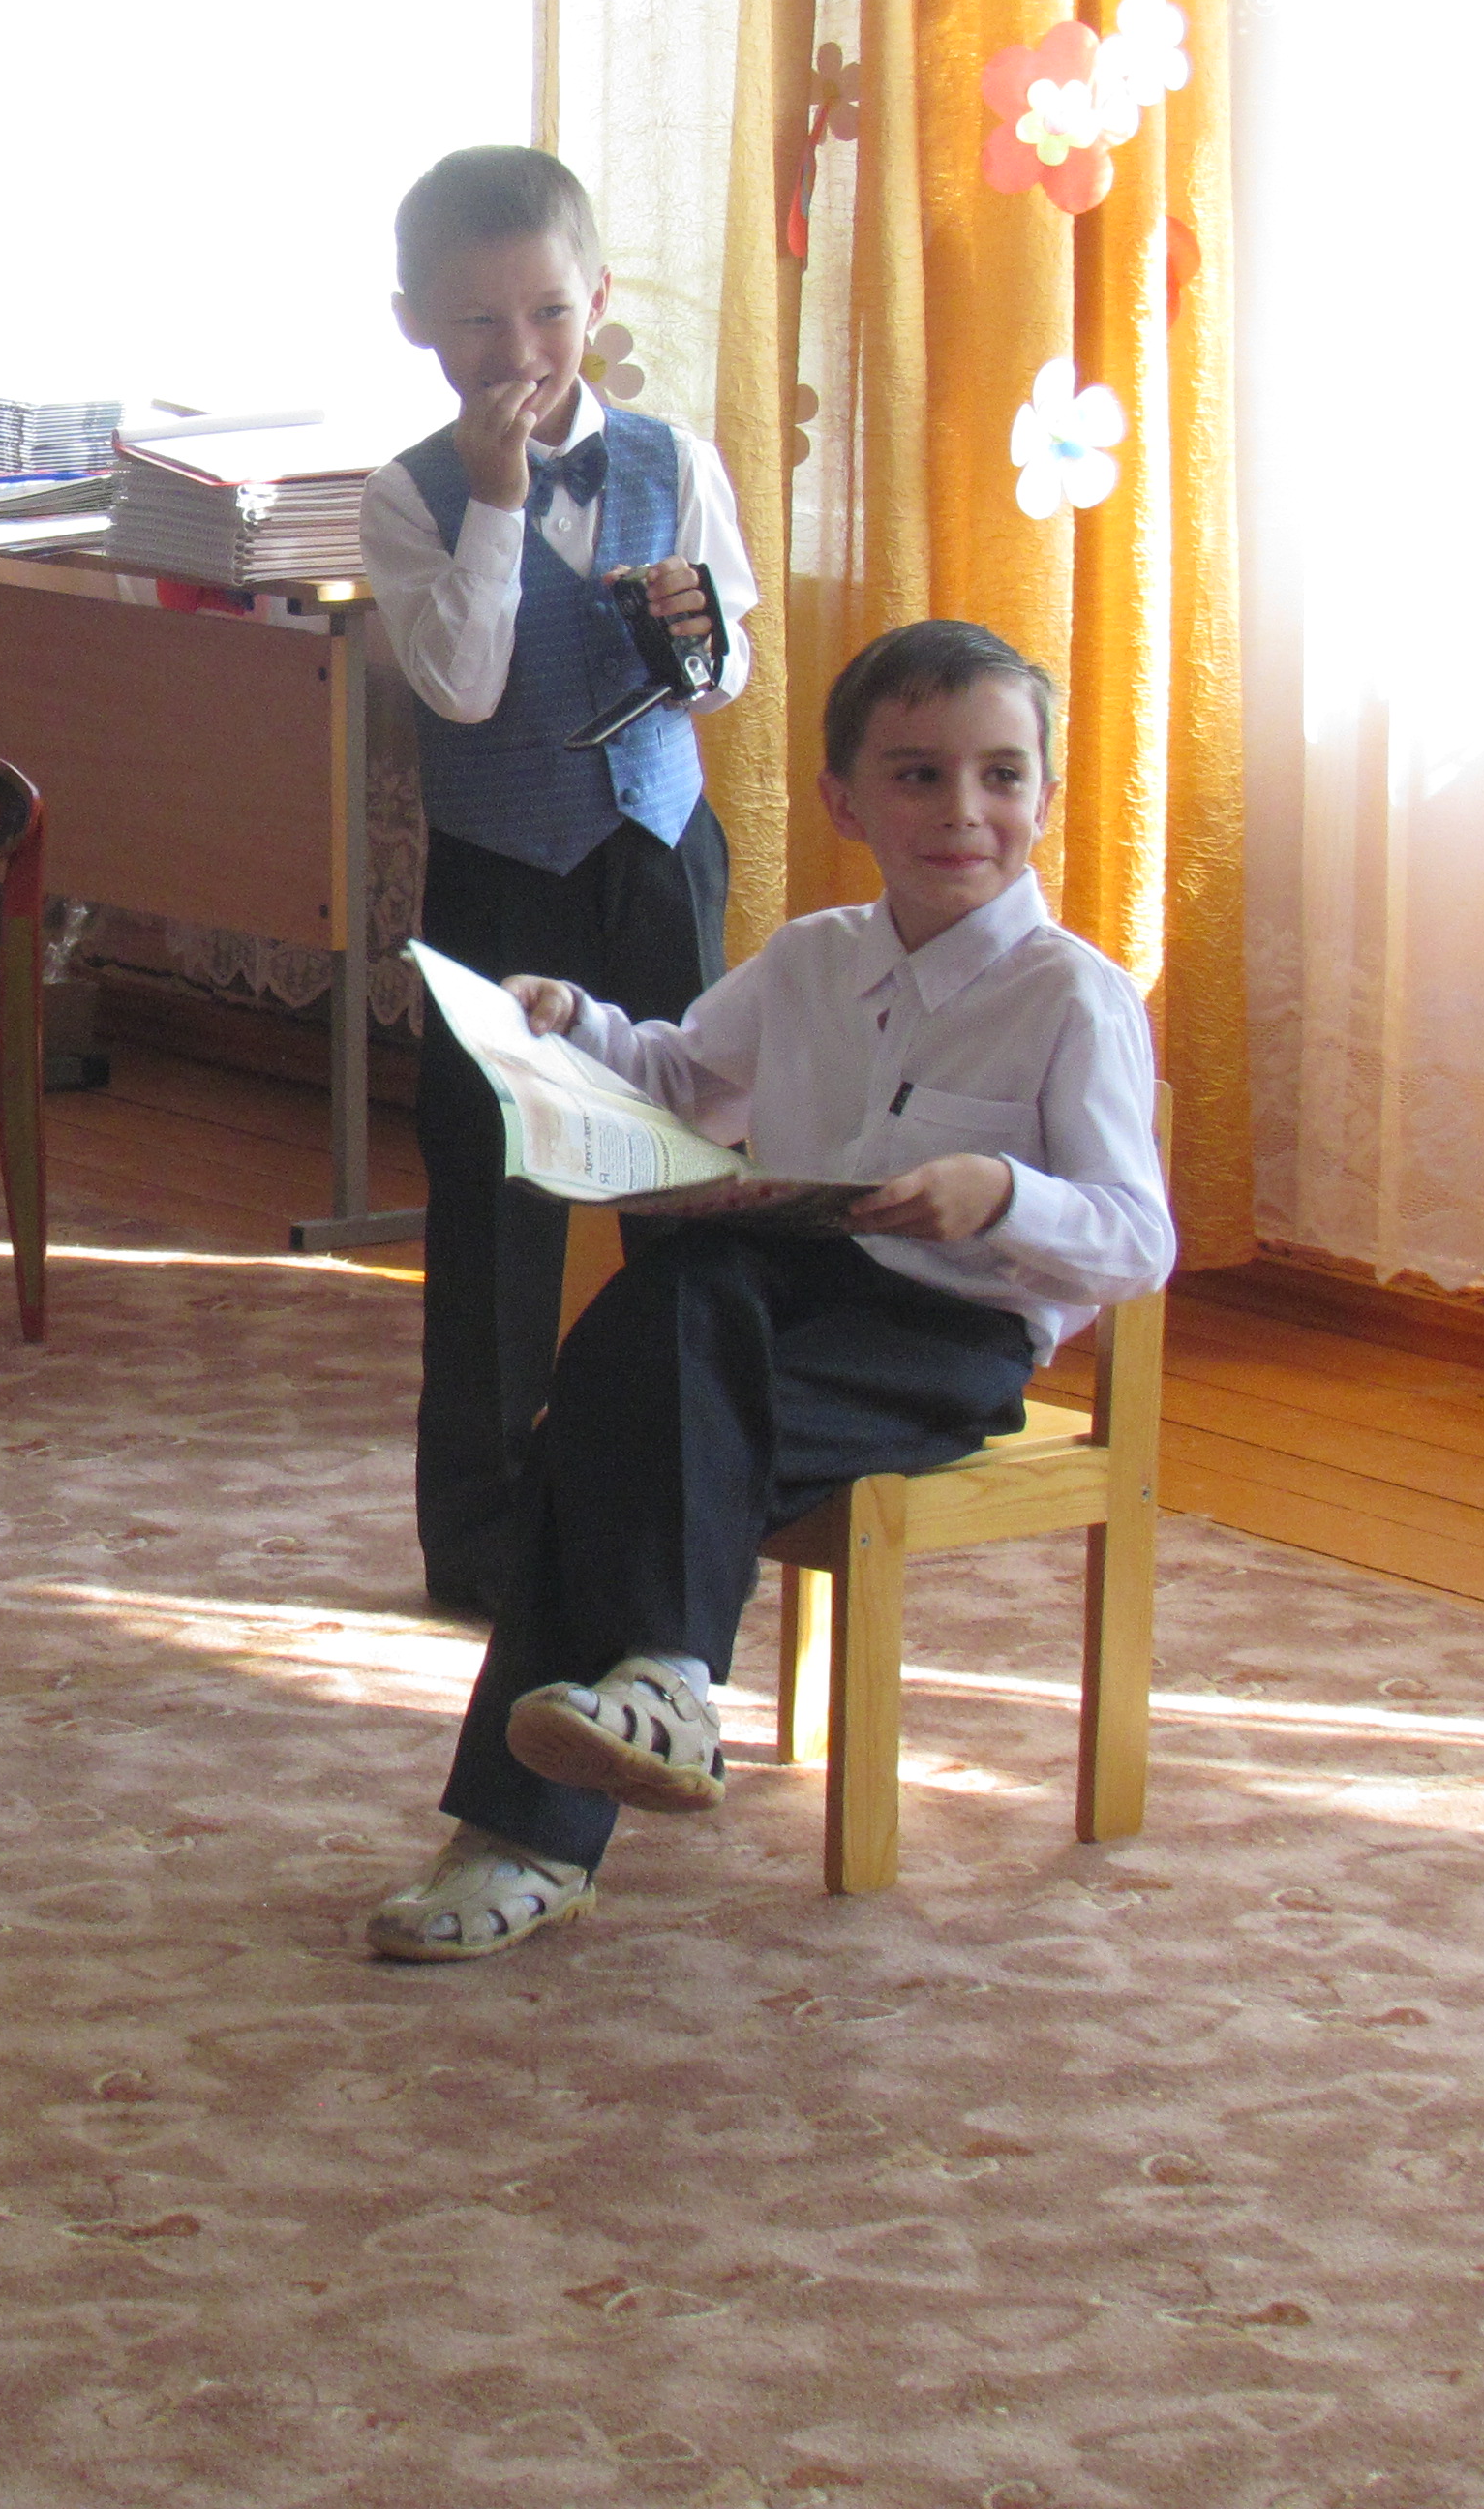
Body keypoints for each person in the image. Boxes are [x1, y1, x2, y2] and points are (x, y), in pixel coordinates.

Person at [363, 620, 1175, 1962]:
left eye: (1000, 775)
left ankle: (533, 1831)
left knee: (601, 1428)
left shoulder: (1071, 998)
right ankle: (660, 1693)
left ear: (1046, 795)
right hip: (783, 1301)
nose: (962, 811)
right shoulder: (813, 956)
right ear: (845, 802)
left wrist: (1001, 1195)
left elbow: (1138, 1241)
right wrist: (574, 1022)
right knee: (671, 1301)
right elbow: (684, 1078)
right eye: (917, 776)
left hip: (944, 1340)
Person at [363, 146, 761, 1617]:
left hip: (655, 860)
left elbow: (728, 670)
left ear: (595, 300)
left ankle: (688, 1498)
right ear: (416, 323)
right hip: (500, 878)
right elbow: (462, 689)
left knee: (686, 1172)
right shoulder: (408, 497)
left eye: (545, 313)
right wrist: (493, 503)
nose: (518, 352)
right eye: (477, 322)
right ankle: (481, 1542)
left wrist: (696, 639)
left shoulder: (674, 462)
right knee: (493, 1197)